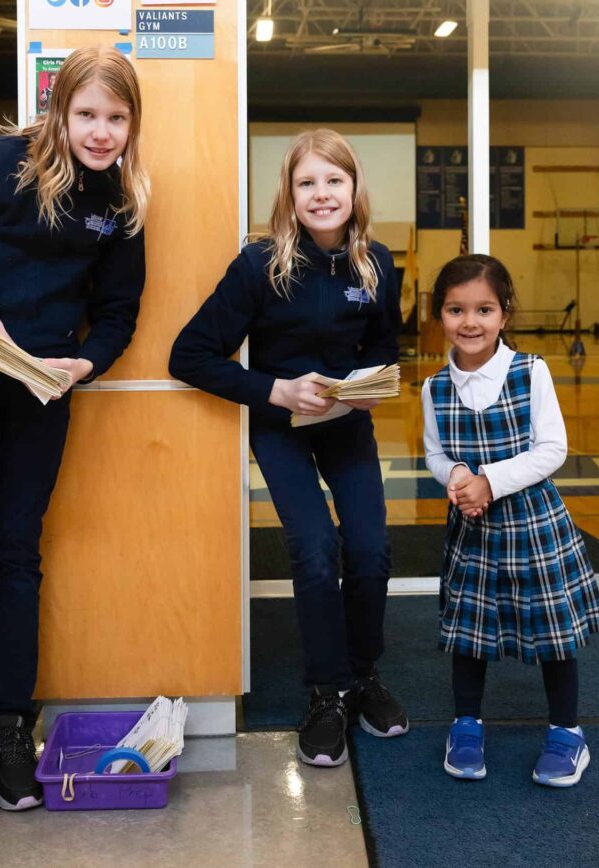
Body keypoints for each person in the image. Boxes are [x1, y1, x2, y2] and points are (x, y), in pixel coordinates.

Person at [0, 45, 149, 827]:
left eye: (117, 117)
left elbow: (117, 312)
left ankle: (13, 729)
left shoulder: (123, 201)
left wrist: (88, 363)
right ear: (59, 110)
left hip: (43, 386)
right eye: (87, 114)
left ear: (131, 123)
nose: (102, 132)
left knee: (18, 552)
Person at [169, 129, 406, 769]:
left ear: (354, 189)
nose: (322, 194)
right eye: (308, 182)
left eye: (334, 180)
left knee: (370, 549)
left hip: (346, 423)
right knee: (314, 548)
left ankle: (362, 676)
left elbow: (386, 346)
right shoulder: (259, 266)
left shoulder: (378, 263)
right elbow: (188, 356)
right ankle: (325, 693)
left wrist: (371, 385)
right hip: (281, 428)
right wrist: (275, 390)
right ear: (289, 193)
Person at [421, 254, 599, 787]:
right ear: (441, 315)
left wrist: (490, 482)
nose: (470, 321)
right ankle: (466, 724)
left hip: (532, 526)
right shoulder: (434, 388)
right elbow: (435, 454)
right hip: (472, 529)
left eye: (484, 309)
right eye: (456, 310)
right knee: (468, 631)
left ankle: (568, 733)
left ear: (505, 314)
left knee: (553, 631)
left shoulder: (532, 371)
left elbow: (553, 449)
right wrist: (457, 476)